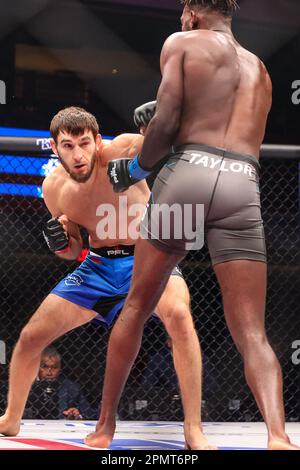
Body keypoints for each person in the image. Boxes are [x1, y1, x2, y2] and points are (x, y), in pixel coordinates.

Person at [100, 0, 300, 450]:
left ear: (191, 12)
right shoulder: (261, 70)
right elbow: (235, 129)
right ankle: (278, 436)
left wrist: (132, 170)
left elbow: (167, 122)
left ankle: (104, 427)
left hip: (187, 175)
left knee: (137, 306)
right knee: (252, 330)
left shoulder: (183, 42)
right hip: (242, 184)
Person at [0, 106, 211, 449]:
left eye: (85, 143)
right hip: (97, 267)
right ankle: (10, 419)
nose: (78, 153)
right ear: (55, 148)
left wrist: (162, 123)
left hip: (147, 259)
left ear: (98, 141)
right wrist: (59, 244)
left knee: (179, 317)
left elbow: (162, 146)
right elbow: (71, 250)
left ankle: (193, 429)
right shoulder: (53, 187)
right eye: (68, 146)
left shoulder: (122, 151)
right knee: (29, 338)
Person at [24, 346, 97, 420]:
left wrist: (77, 414)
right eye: (44, 366)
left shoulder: (72, 388)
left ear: (60, 369)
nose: (49, 372)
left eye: (54, 367)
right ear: (37, 367)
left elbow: (89, 412)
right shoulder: (25, 386)